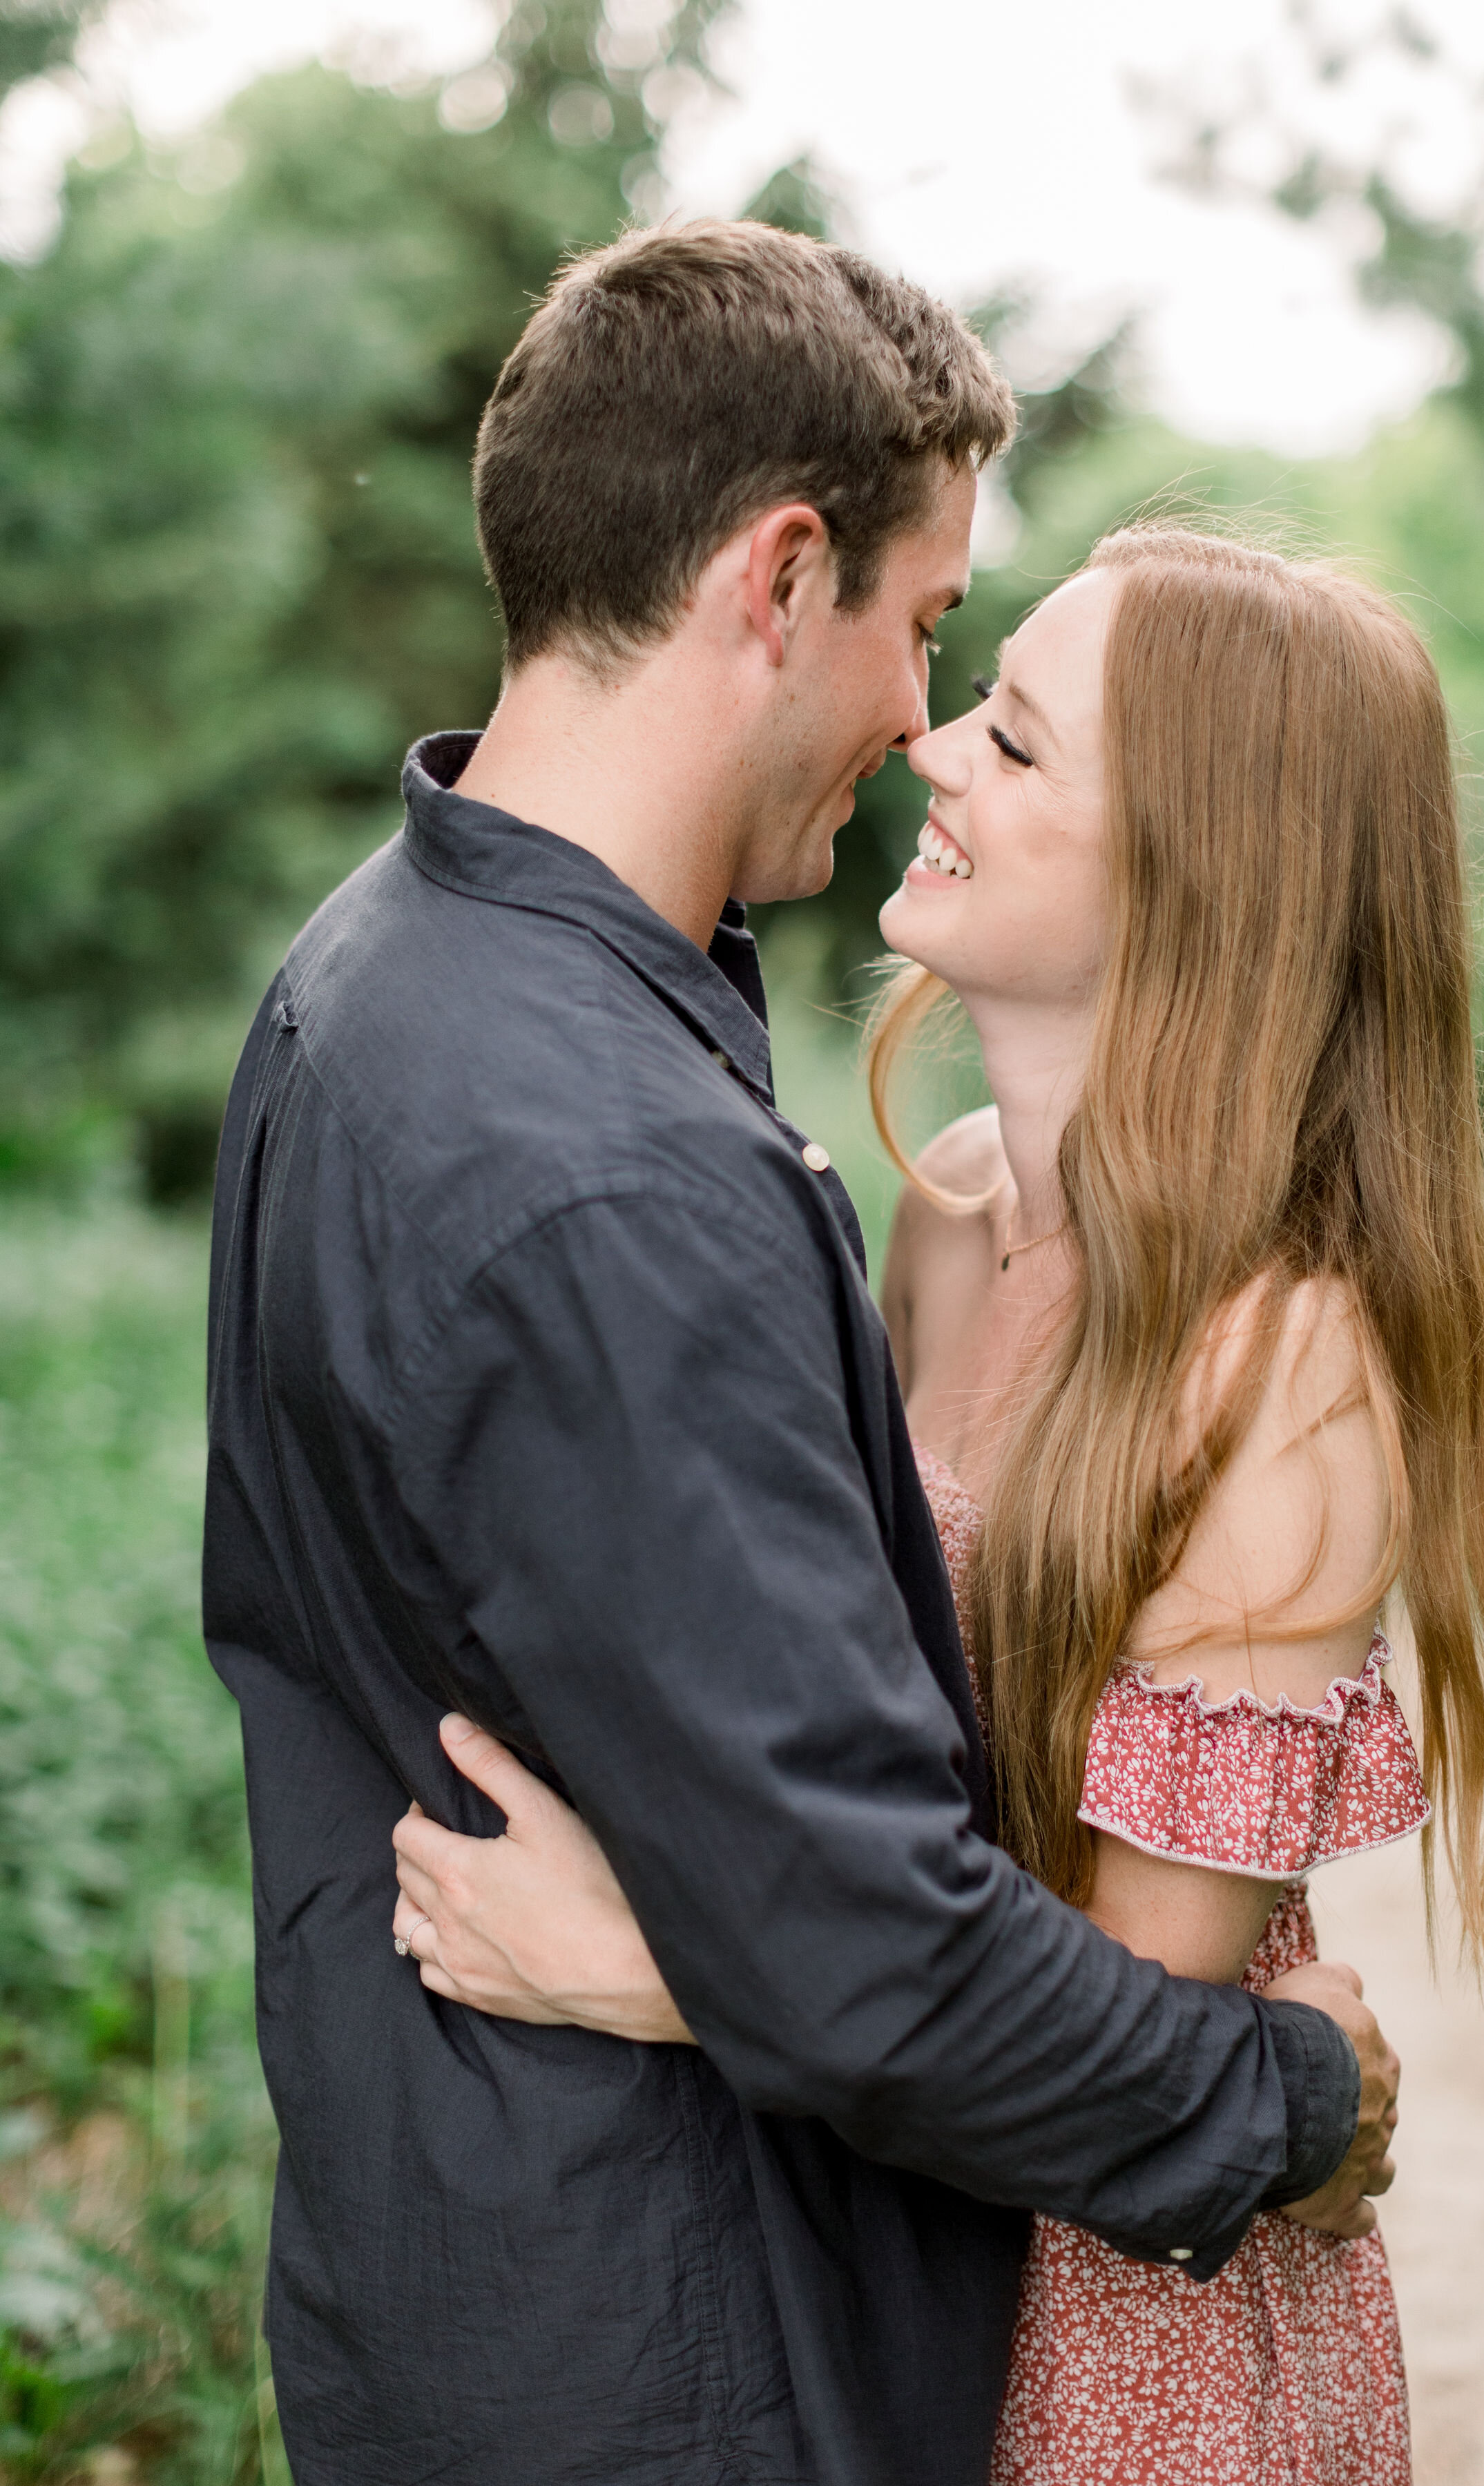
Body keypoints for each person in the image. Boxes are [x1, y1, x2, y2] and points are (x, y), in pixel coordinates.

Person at [202, 222, 1393, 2486]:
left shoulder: (363, 978)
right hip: (671, 2354)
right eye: (927, 627)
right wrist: (1292, 2098)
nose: (923, 727)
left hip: (462, 2265)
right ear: (777, 578)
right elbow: (872, 1955)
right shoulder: (622, 1173)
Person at [390, 525, 1484, 2483]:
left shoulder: (1279, 1371)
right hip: (895, 2237)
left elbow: (1124, 2035)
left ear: (1200, 879)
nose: (933, 749)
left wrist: (651, 1970)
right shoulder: (947, 1210)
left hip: (1123, 2333)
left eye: (1015, 745)